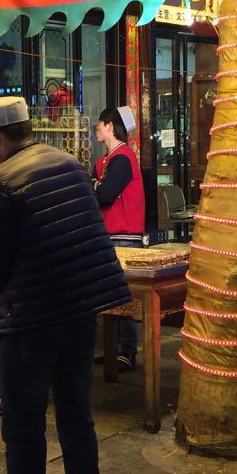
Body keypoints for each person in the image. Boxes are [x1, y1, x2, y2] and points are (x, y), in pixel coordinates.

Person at [0, 96, 131, 474]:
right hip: (81, 310)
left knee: (23, 428)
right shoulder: (70, 164)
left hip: (34, 318)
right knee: (76, 416)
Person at [93, 105, 145, 371]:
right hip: (112, 234)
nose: (97, 129)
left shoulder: (122, 159)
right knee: (112, 298)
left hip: (124, 236)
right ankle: (115, 351)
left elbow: (104, 195)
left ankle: (127, 352)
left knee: (124, 298)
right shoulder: (108, 160)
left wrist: (95, 187)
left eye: (100, 124)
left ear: (110, 126)